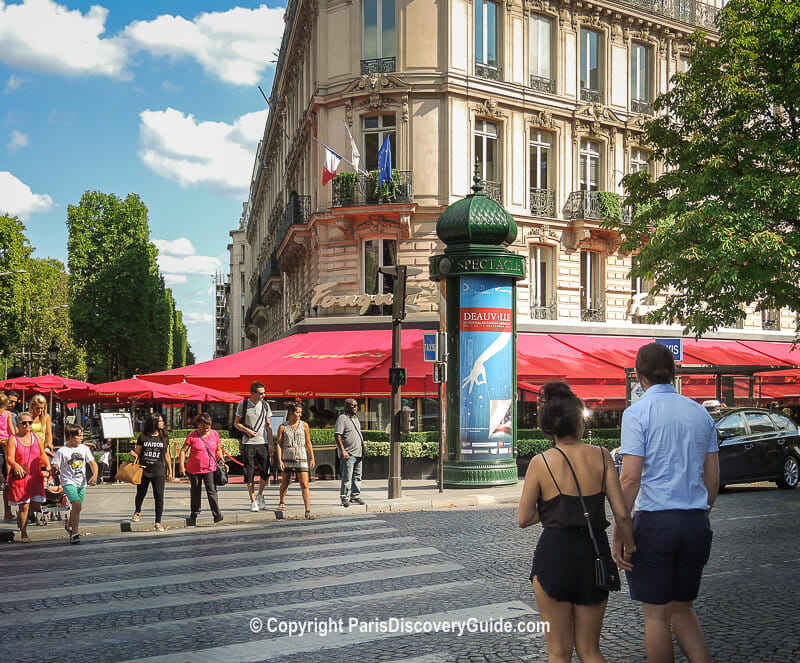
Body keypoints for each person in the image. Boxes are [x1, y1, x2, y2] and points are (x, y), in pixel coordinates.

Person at [614, 342, 719, 663]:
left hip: (655, 522)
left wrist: (621, 531)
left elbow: (630, 478)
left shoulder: (637, 413)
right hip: (695, 521)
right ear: (674, 373)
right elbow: (712, 478)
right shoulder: (700, 413)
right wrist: (698, 513)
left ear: (638, 376)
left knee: (656, 617)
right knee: (683, 610)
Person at [518, 382, 635, 663]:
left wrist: (557, 509)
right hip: (593, 554)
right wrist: (628, 547)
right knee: (591, 650)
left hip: (554, 555)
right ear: (578, 424)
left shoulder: (540, 462)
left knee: (558, 652)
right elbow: (621, 512)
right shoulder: (602, 455)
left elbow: (524, 518)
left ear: (549, 427)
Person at [5, 411, 51, 543]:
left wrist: (47, 464)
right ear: (18, 424)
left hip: (35, 476)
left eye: (29, 422)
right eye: (23, 423)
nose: (26, 425)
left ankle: (24, 519)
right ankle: (23, 532)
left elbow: (42, 454)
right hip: (21, 477)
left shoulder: (36, 437)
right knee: (23, 506)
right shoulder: (13, 439)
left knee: (36, 505)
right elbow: (9, 458)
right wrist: (15, 465)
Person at [50, 424, 98, 544]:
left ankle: (70, 525)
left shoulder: (84, 448)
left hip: (81, 482)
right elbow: (54, 465)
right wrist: (55, 468)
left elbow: (93, 463)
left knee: (77, 509)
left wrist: (95, 475)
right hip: (68, 481)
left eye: (82, 435)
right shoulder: (62, 451)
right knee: (77, 505)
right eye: (79, 435)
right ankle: (75, 533)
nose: (82, 438)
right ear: (70, 436)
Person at [129, 413, 173, 531]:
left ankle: (158, 521)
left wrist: (170, 471)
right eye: (160, 421)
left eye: (162, 421)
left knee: (159, 496)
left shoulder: (164, 437)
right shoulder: (143, 437)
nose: (162, 423)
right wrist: (134, 455)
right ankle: (137, 511)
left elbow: (167, 455)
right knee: (141, 493)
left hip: (158, 470)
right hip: (143, 469)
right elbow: (138, 452)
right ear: (153, 422)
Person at [233, 381, 273, 512]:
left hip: (263, 442)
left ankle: (260, 494)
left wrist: (271, 443)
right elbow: (236, 423)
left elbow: (268, 425)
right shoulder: (243, 405)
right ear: (253, 393)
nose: (263, 395)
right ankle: (253, 500)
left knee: (266, 471)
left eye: (264, 393)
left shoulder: (266, 405)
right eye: (261, 393)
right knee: (249, 473)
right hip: (248, 443)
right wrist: (246, 430)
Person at [178, 413, 224, 526]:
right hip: (194, 468)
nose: (206, 430)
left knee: (211, 490)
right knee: (195, 490)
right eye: (204, 427)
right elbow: (183, 450)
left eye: (208, 427)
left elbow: (218, 449)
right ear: (198, 424)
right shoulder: (192, 435)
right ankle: (194, 512)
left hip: (210, 467)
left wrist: (221, 458)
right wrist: (181, 466)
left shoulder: (214, 434)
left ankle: (217, 514)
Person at [275, 402, 315, 519]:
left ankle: (307, 509)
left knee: (304, 483)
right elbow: (279, 444)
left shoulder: (304, 425)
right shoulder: (283, 427)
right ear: (291, 413)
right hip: (287, 455)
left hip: (301, 454)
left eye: (300, 412)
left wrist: (312, 457)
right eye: (297, 412)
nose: (299, 415)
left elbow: (308, 442)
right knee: (285, 482)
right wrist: (280, 460)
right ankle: (282, 502)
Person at [334, 398, 365, 508]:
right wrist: (343, 450)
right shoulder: (342, 419)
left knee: (357, 476)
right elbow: (338, 435)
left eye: (356, 405)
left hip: (358, 453)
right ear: (347, 407)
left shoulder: (356, 419)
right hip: (348, 453)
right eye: (353, 405)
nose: (356, 407)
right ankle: (344, 497)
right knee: (347, 477)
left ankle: (355, 496)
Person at [1, 393, 15, 520]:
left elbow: (11, 430)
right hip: (3, 443)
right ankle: (7, 512)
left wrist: (14, 441)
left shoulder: (8, 414)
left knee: (7, 480)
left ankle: (7, 512)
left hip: (6, 445)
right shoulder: (7, 414)